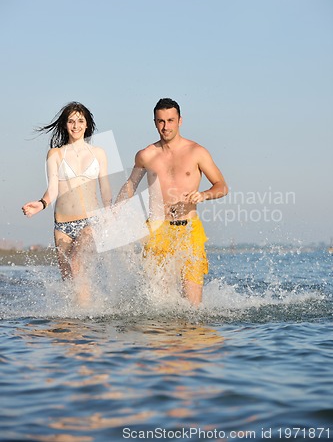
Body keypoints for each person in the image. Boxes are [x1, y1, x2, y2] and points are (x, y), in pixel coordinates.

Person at [116, 98, 228, 306]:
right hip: (157, 230)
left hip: (189, 231)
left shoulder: (197, 152)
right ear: (154, 122)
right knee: (162, 305)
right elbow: (131, 184)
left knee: (192, 306)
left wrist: (203, 195)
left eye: (170, 120)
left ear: (180, 121)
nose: (165, 127)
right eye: (161, 121)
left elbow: (221, 186)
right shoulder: (145, 155)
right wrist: (116, 209)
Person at [22, 102, 112, 293]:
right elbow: (52, 190)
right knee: (70, 282)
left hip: (90, 223)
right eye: (71, 121)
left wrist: (109, 213)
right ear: (65, 124)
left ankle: (86, 317)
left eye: (80, 121)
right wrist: (41, 204)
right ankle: (76, 321)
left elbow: (105, 190)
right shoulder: (55, 153)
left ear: (87, 125)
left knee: (77, 264)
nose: (76, 126)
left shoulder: (99, 153)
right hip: (62, 226)